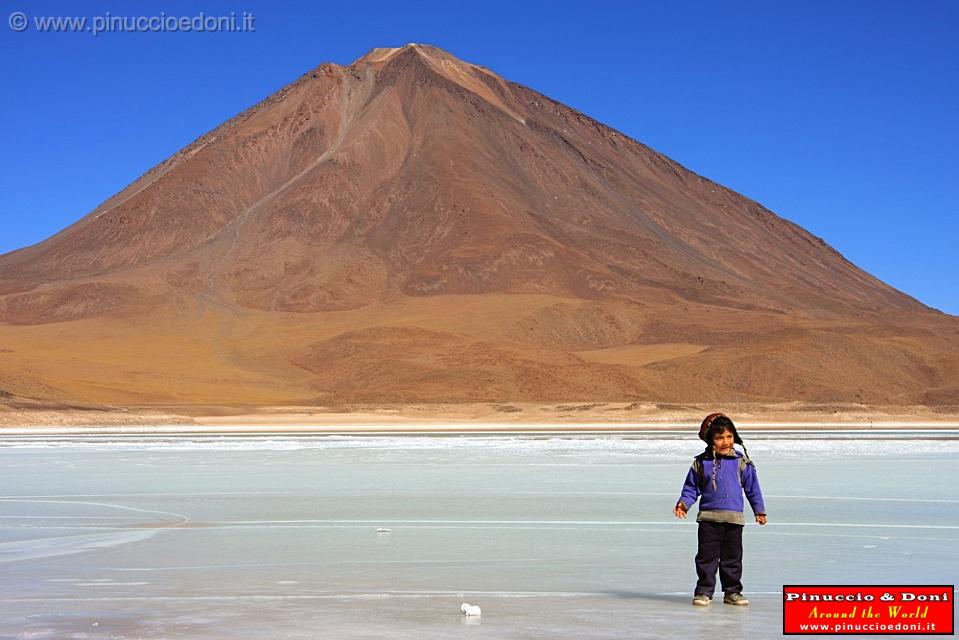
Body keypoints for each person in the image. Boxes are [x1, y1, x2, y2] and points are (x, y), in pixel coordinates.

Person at [673, 413, 766, 607]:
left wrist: (759, 510)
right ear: (710, 440)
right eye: (719, 438)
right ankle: (704, 592)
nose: (725, 442)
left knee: (732, 559)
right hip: (708, 519)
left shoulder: (742, 463)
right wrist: (684, 503)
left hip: (734, 520)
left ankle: (732, 592)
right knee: (706, 558)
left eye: (729, 437)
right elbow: (691, 487)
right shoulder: (701, 463)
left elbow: (752, 488)